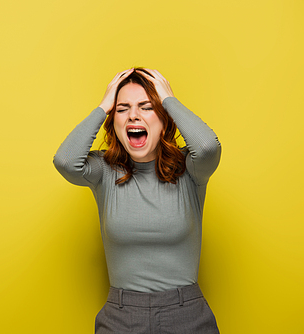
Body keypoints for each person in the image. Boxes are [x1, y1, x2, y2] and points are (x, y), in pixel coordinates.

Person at [53, 68, 221, 333]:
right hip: (121, 317)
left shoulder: (191, 169)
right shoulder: (104, 170)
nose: (133, 115)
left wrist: (168, 100)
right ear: (114, 121)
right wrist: (104, 105)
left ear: (164, 119)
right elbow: (65, 161)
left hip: (186, 314)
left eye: (146, 107)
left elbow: (208, 147)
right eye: (123, 109)